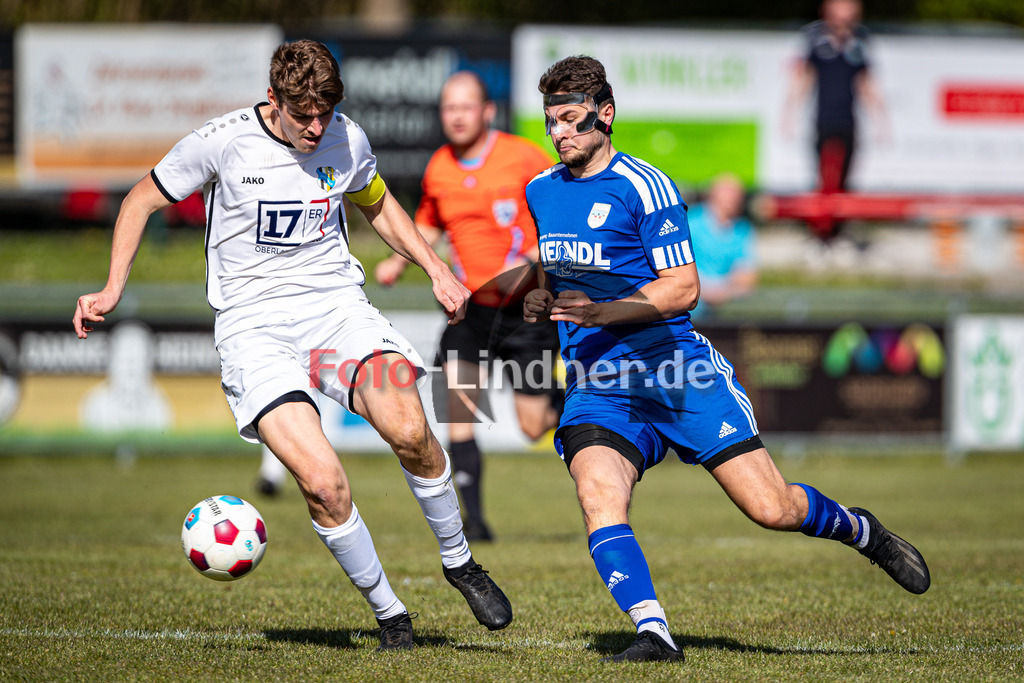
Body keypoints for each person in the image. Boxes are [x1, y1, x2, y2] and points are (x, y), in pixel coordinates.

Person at [73, 39, 512, 651]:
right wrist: (112, 286)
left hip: (336, 312)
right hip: (253, 328)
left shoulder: (346, 137)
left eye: (324, 114)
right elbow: (139, 200)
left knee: (410, 427)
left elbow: (376, 201)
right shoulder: (221, 141)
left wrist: (434, 268)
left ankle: (460, 561)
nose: (315, 126)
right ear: (272, 99)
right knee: (322, 482)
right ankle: (392, 618)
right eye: (302, 114)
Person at [523, 55, 928, 664]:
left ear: (606, 115)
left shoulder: (645, 186)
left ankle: (859, 528)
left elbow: (684, 288)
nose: (560, 134)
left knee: (773, 509)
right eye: (551, 122)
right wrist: (542, 297)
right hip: (601, 382)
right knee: (597, 494)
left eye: (573, 120)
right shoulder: (540, 190)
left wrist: (601, 313)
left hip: (679, 375)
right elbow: (566, 272)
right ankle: (654, 633)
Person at [375, 71, 561, 542]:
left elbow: (559, 221)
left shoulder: (524, 158)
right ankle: (473, 521)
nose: (456, 116)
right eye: (448, 108)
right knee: (456, 411)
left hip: (525, 312)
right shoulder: (439, 165)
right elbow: (429, 225)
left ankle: (572, 400)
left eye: (465, 107)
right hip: (468, 312)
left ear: (487, 111)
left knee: (533, 426)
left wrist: (534, 258)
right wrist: (399, 262)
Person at [782, 0, 888, 241]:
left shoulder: (859, 43)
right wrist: (790, 113)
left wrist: (881, 120)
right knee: (823, 179)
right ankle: (820, 234)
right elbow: (804, 79)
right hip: (823, 120)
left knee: (845, 179)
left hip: (849, 121)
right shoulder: (816, 40)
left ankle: (840, 232)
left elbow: (866, 84)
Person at [685, 173, 758, 320]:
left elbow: (747, 277)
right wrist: (705, 290)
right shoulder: (690, 223)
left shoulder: (742, 229)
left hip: (723, 310)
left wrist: (722, 292)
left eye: (736, 199)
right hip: (688, 308)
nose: (733, 203)